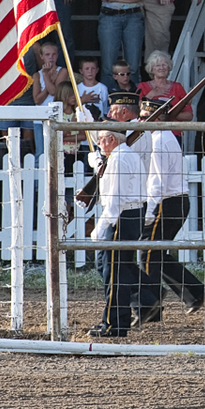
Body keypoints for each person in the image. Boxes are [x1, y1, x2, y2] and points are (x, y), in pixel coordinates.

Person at [132, 95, 205, 322]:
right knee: (155, 254)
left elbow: (157, 181)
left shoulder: (160, 141)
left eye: (147, 117)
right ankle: (194, 291)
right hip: (173, 201)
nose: (142, 121)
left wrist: (150, 211)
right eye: (142, 116)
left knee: (148, 253)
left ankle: (148, 305)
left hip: (166, 202)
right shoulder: (160, 136)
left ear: (160, 117)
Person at [88, 117, 148, 339]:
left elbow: (114, 201)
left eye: (101, 140)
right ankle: (113, 319)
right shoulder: (122, 156)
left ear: (111, 139)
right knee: (111, 269)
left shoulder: (119, 160)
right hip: (129, 215)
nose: (99, 144)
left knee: (114, 274)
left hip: (122, 217)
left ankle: (115, 324)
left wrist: (100, 228)